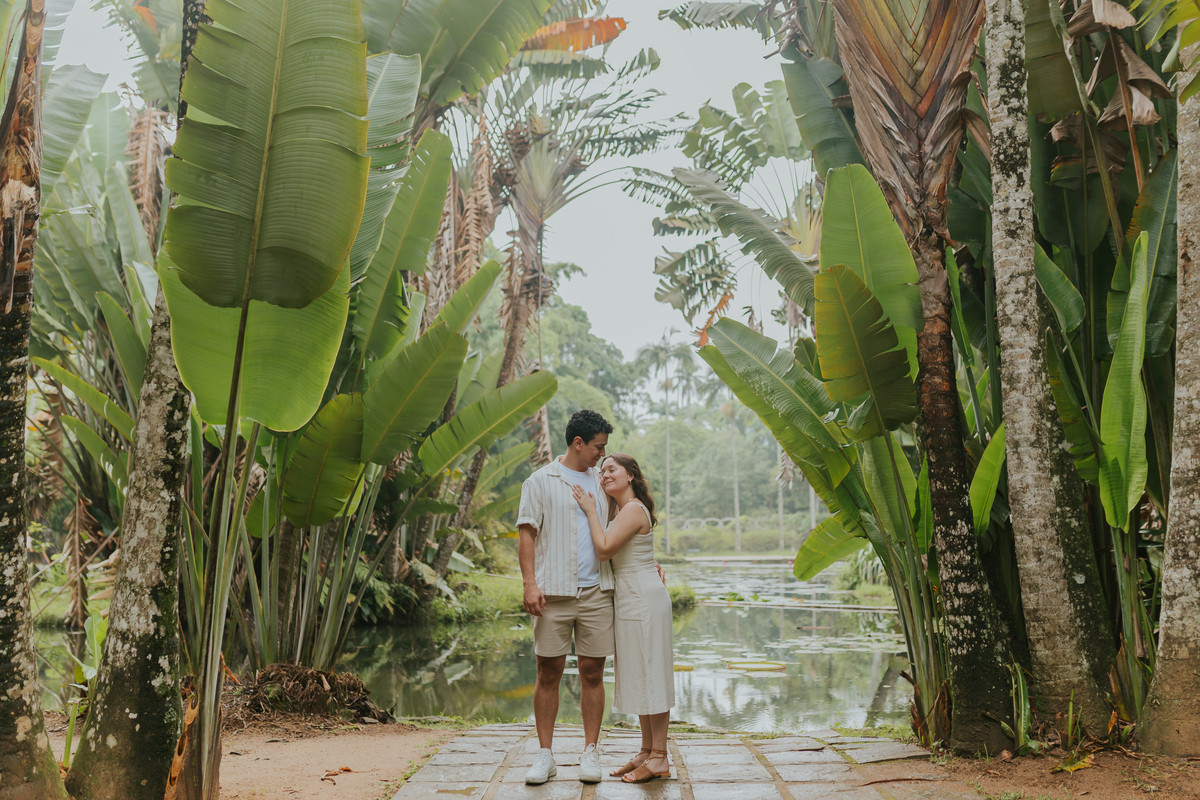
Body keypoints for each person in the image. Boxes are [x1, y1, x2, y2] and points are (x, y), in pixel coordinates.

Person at [517, 409, 615, 785]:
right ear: (578, 443)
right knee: (548, 672)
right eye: (598, 447)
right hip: (553, 593)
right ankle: (545, 755)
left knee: (593, 672)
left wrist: (648, 561)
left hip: (597, 591)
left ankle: (590, 751)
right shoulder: (540, 481)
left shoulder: (604, 483)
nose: (602, 454)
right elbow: (527, 534)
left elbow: (622, 527)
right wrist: (529, 584)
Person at [570, 453, 675, 784]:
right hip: (631, 598)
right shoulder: (620, 510)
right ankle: (646, 751)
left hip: (643, 599)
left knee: (652, 673)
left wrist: (589, 510)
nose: (604, 475)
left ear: (631, 475)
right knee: (641, 673)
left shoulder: (631, 509)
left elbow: (604, 550)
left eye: (611, 469)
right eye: (602, 471)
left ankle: (660, 756)